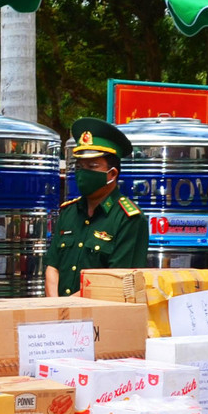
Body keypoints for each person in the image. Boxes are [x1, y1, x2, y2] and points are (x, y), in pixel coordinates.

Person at [44, 118, 149, 295]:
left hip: (101, 317)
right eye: (79, 166)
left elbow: (116, 283)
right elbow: (52, 268)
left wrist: (68, 308)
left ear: (112, 174)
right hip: (60, 315)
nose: (83, 173)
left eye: (92, 166)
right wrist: (56, 307)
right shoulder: (69, 212)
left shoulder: (128, 219)